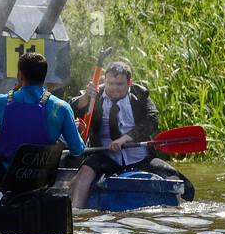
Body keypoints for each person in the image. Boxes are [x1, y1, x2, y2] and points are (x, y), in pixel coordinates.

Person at [69, 60, 194, 207]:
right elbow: (69, 110)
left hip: (140, 158)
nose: (114, 89)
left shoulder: (140, 95)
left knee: (172, 176)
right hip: (105, 156)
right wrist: (84, 99)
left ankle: (174, 213)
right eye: (110, 84)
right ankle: (76, 212)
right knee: (84, 172)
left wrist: (124, 139)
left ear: (129, 83)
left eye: (120, 84)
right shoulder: (94, 94)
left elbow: (152, 119)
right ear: (104, 80)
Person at [0, 51, 84, 175]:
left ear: (20, 76)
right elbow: (77, 150)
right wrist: (72, 128)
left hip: (5, 178)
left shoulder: (3, 101)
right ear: (44, 76)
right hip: (40, 179)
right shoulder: (62, 107)